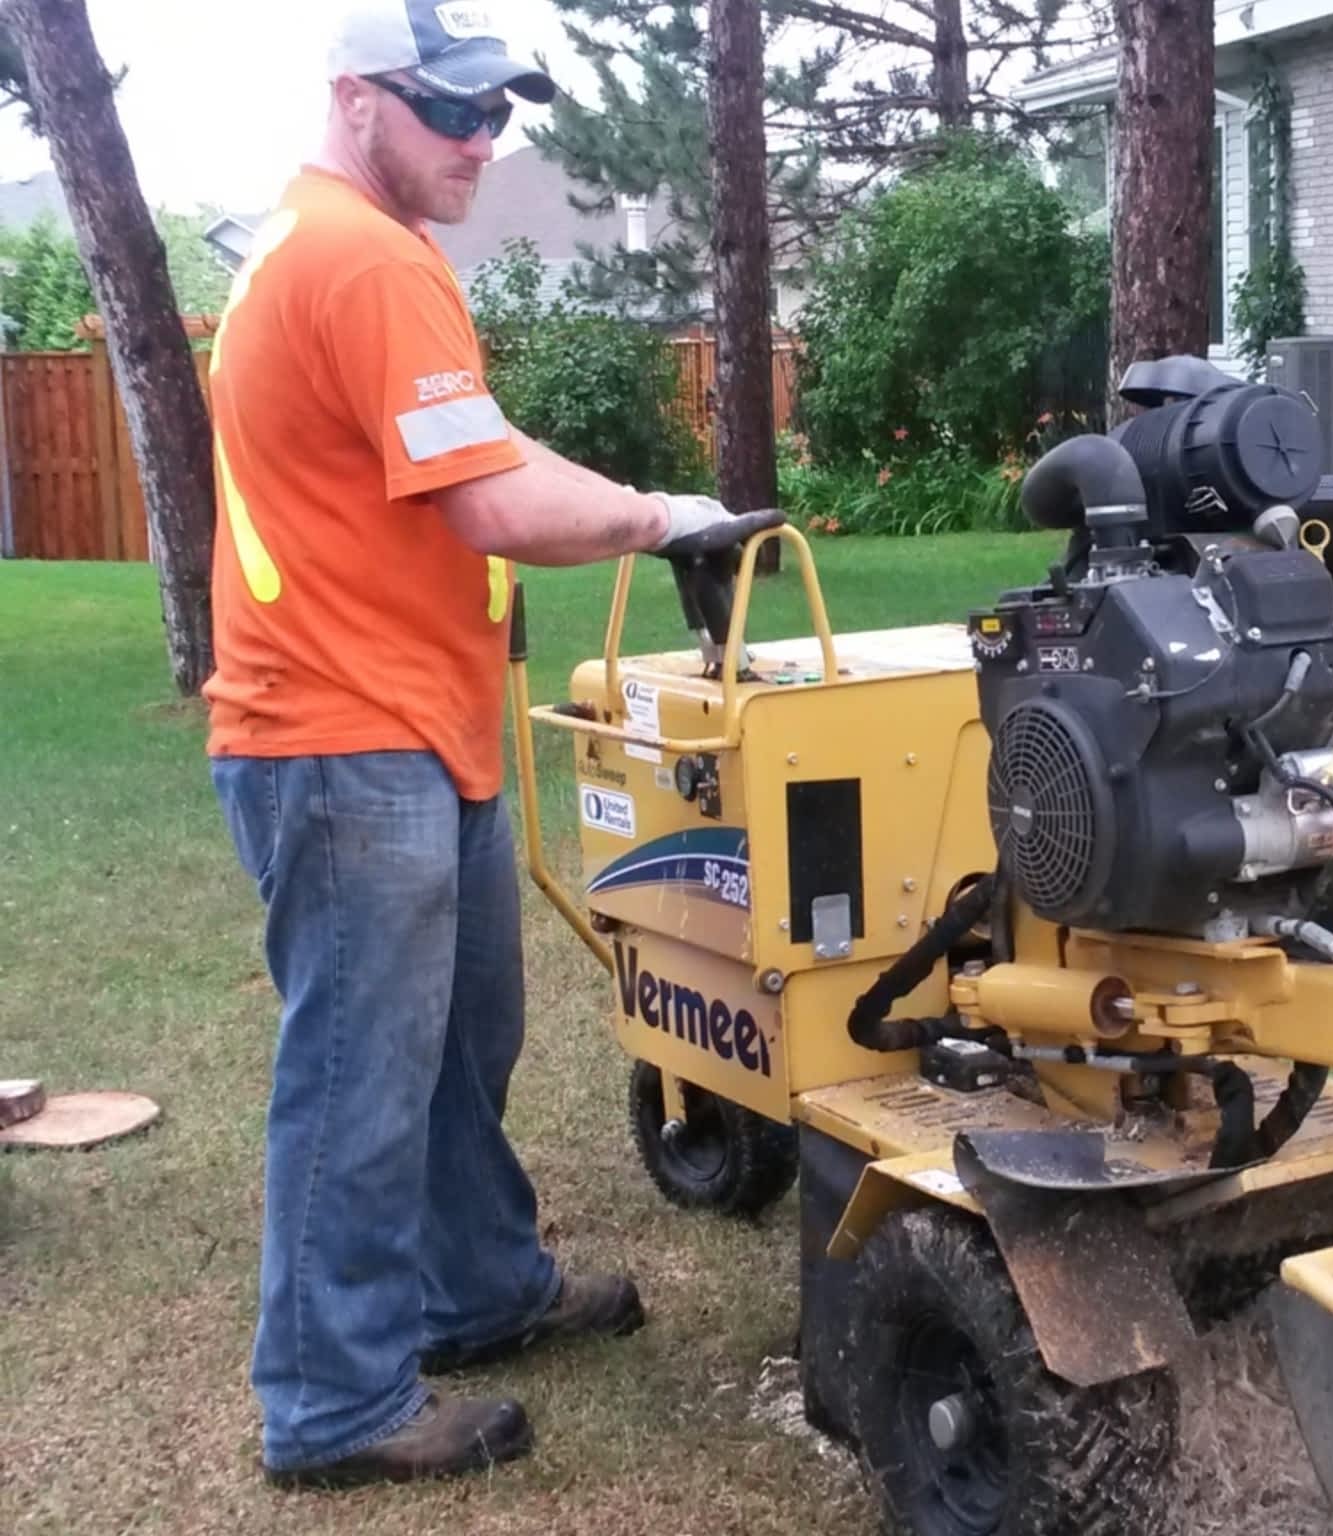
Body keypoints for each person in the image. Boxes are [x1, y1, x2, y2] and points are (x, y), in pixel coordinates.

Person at [203, 1, 777, 1490]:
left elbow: (487, 453)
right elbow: (493, 505)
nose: (480, 140)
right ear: (354, 103)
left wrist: (656, 499)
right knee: (359, 1072)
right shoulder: (366, 257)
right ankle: (331, 1406)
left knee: (463, 1041)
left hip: (404, 723)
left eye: (495, 113)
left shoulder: (333, 246)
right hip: (343, 732)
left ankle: (475, 1289)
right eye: (449, 111)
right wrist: (664, 518)